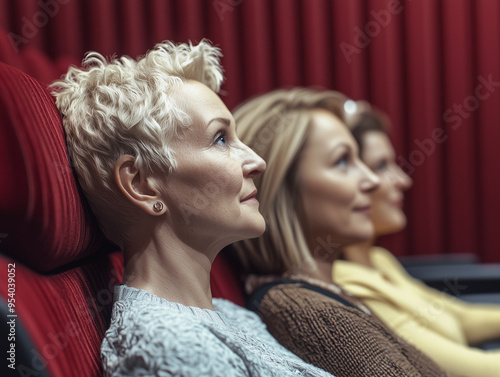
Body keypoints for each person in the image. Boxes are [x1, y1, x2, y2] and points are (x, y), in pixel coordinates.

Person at [50, 41, 336, 377]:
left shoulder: (230, 314)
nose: (257, 161)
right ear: (141, 184)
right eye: (220, 139)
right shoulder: (171, 344)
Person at [232, 88, 450, 377]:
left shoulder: (324, 294)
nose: (372, 180)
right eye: (343, 161)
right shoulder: (309, 314)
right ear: (283, 190)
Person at [335, 101, 500, 377]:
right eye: (381, 165)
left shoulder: (378, 259)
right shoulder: (347, 284)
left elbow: (461, 317)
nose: (402, 180)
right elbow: (478, 371)